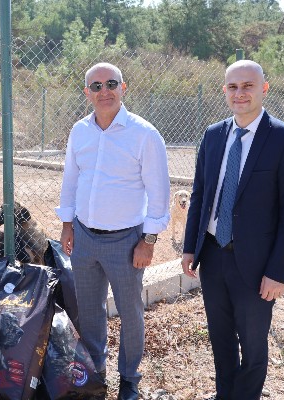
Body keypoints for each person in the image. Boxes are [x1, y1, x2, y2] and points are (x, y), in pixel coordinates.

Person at [181, 60, 284, 399]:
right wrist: (190, 247)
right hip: (212, 254)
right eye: (233, 87)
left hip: (257, 264)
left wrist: (278, 271)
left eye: (248, 86)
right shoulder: (213, 135)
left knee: (252, 345)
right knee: (220, 338)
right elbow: (200, 193)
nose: (240, 93)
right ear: (225, 90)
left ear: (263, 89)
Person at [55, 62, 171, 400]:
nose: (103, 91)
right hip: (84, 237)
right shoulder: (79, 131)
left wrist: (148, 241)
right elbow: (71, 181)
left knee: (131, 313)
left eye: (111, 83)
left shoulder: (144, 134)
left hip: (126, 241)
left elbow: (159, 195)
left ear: (124, 88)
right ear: (86, 92)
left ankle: (130, 379)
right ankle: (96, 374)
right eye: (95, 86)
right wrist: (67, 225)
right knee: (90, 312)